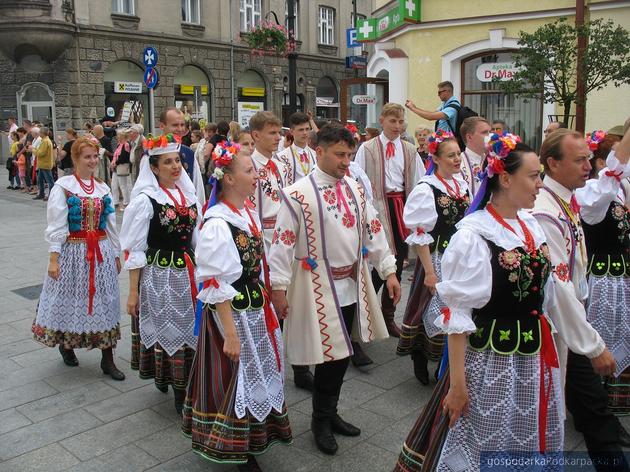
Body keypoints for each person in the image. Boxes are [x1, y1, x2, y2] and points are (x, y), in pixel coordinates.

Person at [396, 134, 566, 471]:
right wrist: (457, 385)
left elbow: (547, 293)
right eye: (533, 176)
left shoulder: (531, 224)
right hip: (490, 360)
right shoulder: (473, 235)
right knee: (483, 438)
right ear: (505, 178)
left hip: (532, 357)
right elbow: (458, 314)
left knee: (523, 433)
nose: (540, 184)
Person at [269, 125, 401, 455]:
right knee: (328, 356)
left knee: (341, 356)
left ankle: (329, 412)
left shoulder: (355, 189)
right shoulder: (297, 194)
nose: (346, 162)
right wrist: (278, 287)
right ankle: (320, 420)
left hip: (352, 284)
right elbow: (282, 243)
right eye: (340, 155)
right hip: (316, 286)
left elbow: (374, 230)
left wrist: (389, 269)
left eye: (350, 155)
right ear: (320, 151)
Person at [183, 140, 291, 471]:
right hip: (234, 315)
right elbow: (215, 283)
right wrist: (230, 334)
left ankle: (251, 439)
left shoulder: (244, 213)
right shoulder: (218, 224)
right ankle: (235, 447)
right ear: (228, 178)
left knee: (255, 372)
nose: (256, 175)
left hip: (254, 308)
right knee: (237, 377)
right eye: (249, 171)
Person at [532, 128, 630, 468]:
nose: (589, 166)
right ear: (553, 164)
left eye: (589, 158)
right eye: (580, 160)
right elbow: (558, 290)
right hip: (552, 331)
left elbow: (610, 178)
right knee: (585, 410)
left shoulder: (569, 197)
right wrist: (592, 345)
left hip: (567, 326)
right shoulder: (545, 211)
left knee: (589, 410)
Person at [121, 133, 201, 414]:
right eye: (168, 162)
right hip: (159, 275)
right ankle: (176, 388)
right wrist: (133, 292)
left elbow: (196, 239)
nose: (176, 166)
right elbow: (134, 248)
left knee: (190, 327)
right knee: (169, 326)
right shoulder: (146, 200)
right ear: (154, 168)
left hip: (188, 272)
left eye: (178, 160)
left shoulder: (188, 196)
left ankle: (185, 382)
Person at [32, 137, 124, 380]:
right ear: (75, 159)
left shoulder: (103, 187)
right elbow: (56, 225)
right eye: (87, 157)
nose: (93, 161)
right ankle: (67, 344)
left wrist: (116, 253)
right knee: (72, 299)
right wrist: (54, 258)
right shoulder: (63, 186)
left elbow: (110, 224)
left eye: (95, 156)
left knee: (104, 302)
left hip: (100, 252)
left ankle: (108, 359)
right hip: (73, 253)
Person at [398, 131, 470, 385]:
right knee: (431, 308)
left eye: (458, 154)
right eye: (451, 155)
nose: (457, 159)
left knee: (455, 310)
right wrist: (429, 271)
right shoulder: (426, 188)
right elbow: (420, 233)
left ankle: (447, 362)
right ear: (436, 159)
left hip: (459, 260)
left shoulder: (462, 184)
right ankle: (420, 354)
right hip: (438, 258)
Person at [354, 102, 425, 337]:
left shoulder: (410, 150)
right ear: (382, 121)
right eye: (392, 121)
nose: (397, 125)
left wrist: (416, 215)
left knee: (397, 261)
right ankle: (363, 313)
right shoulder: (368, 148)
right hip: (378, 207)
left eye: (401, 121)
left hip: (401, 207)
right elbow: (359, 180)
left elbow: (418, 184)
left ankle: (387, 315)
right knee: (379, 263)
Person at [577, 128, 630, 417]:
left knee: (623, 329)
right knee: (603, 330)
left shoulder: (622, 188)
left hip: (621, 275)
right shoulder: (592, 195)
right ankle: (595, 402)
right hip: (601, 277)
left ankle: (617, 398)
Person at [248, 111, 288, 251]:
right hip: (259, 237)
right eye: (272, 133)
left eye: (279, 133)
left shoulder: (281, 167)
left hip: (282, 237)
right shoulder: (248, 167)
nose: (278, 138)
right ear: (256, 135)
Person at [159, 107, 206, 204]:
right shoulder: (152, 153)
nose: (180, 129)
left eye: (182, 125)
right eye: (175, 125)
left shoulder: (188, 153)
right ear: (162, 126)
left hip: (188, 209)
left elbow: (198, 186)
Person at [275, 112, 317, 185]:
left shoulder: (315, 155)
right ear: (291, 131)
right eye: (301, 130)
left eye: (307, 129)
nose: (305, 133)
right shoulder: (281, 157)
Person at [459, 116, 492, 198]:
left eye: (489, 132)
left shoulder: (493, 160)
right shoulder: (458, 164)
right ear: (469, 137)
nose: (490, 136)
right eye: (484, 132)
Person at [110, 128, 132, 210]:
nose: (117, 137)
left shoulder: (126, 144)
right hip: (116, 167)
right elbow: (116, 155)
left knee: (123, 185)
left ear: (122, 136)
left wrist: (116, 163)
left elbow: (125, 157)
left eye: (118, 136)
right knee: (114, 185)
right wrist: (113, 162)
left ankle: (126, 203)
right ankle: (115, 202)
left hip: (121, 167)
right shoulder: (119, 145)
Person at [33, 126, 55, 201]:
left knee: (49, 181)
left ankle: (51, 195)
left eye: (40, 132)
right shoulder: (45, 140)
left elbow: (41, 153)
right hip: (43, 164)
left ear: (42, 133)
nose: (39, 133)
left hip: (45, 164)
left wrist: (32, 150)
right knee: (40, 180)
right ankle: (41, 194)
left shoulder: (45, 141)